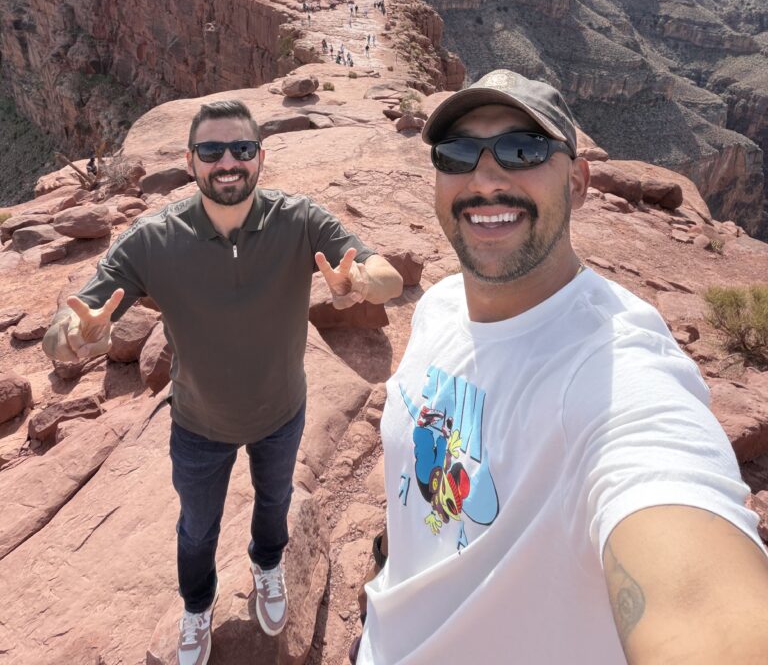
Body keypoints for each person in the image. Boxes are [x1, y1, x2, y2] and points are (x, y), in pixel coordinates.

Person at [353, 70, 768, 664]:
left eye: (523, 151)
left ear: (578, 182)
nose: (485, 179)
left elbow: (704, 604)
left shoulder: (618, 372)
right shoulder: (439, 307)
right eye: (459, 154)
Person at [42, 99, 403, 665]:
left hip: (281, 413)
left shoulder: (299, 221)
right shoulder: (153, 240)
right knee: (197, 528)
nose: (227, 161)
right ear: (190, 160)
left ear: (260, 156)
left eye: (241, 148)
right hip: (198, 424)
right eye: (212, 150)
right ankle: (197, 605)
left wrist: (361, 281)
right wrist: (74, 337)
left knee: (275, 502)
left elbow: (387, 277)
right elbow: (65, 326)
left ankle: (267, 565)